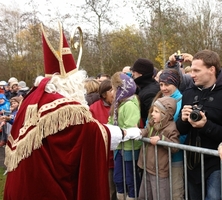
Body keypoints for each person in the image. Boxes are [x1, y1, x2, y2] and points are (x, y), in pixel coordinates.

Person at [3, 22, 137, 200]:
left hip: (23, 184)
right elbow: (90, 134)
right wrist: (126, 132)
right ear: (72, 82)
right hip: (44, 189)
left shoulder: (33, 97)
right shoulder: (65, 107)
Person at [176, 49, 222, 200]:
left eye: (197, 70)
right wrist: (184, 119)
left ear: (211, 70)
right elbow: (180, 129)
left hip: (216, 162)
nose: (192, 74)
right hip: (192, 162)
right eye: (192, 70)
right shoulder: (188, 93)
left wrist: (205, 126)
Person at [151, 68, 186, 200]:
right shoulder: (159, 100)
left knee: (175, 191)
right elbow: (150, 121)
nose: (164, 88)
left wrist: (163, 138)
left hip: (174, 155)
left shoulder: (181, 101)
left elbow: (178, 127)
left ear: (175, 84)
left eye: (167, 84)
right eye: (161, 84)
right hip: (159, 155)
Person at [138, 96, 180, 200]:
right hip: (147, 167)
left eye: (156, 111)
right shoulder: (152, 123)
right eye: (153, 111)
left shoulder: (171, 128)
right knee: (144, 195)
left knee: (160, 196)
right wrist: (137, 132)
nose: (152, 114)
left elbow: (175, 146)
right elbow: (145, 131)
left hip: (159, 170)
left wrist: (162, 139)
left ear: (165, 114)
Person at [108, 72, 142, 200]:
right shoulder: (117, 105)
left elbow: (130, 128)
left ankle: (133, 196)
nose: (112, 92)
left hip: (129, 148)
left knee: (130, 178)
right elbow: (111, 122)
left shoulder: (129, 105)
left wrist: (116, 131)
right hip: (119, 147)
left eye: (114, 88)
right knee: (118, 178)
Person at [89, 79, 116, 200]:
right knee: (109, 190)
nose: (114, 93)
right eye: (111, 90)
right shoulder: (93, 109)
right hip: (106, 159)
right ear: (104, 94)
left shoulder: (121, 105)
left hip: (121, 156)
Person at [131, 58, 160, 127]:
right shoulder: (143, 87)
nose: (132, 74)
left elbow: (152, 117)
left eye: (134, 71)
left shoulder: (150, 93)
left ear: (140, 74)